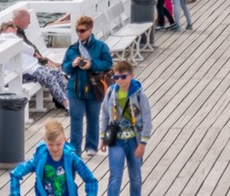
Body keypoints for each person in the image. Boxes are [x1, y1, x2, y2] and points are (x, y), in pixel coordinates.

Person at [99, 60, 152, 196]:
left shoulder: (140, 95)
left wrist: (143, 143)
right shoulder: (111, 92)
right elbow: (105, 114)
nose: (120, 81)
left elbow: (147, 120)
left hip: (134, 141)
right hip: (116, 140)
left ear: (132, 75)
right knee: (115, 177)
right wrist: (103, 137)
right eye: (116, 77)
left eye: (123, 77)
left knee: (135, 178)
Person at [62, 15, 113, 156]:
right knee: (76, 118)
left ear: (90, 30)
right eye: (77, 30)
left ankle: (91, 146)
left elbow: (108, 63)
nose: (79, 33)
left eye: (82, 30)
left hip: (94, 87)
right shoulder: (72, 49)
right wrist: (72, 64)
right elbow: (64, 68)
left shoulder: (101, 46)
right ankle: (75, 150)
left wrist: (92, 64)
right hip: (75, 88)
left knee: (93, 117)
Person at [10, 120, 97, 196]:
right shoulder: (38, 158)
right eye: (50, 144)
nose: (55, 148)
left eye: (58, 144)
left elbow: (90, 180)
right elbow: (16, 174)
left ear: (64, 140)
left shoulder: (72, 158)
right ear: (45, 141)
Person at [7, 9, 69, 110]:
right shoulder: (13, 34)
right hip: (25, 69)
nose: (29, 22)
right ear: (19, 19)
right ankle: (66, 103)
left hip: (32, 63)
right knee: (53, 74)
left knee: (57, 72)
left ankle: (66, 100)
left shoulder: (17, 30)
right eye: (28, 19)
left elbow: (29, 49)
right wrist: (43, 60)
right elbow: (29, 50)